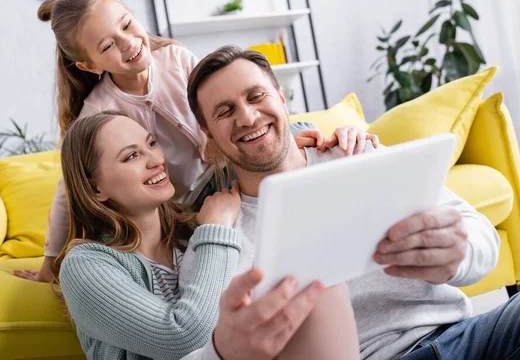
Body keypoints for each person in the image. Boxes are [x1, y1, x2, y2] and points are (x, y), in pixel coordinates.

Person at [13, 0, 379, 282]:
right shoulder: (99, 110)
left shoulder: (175, 59)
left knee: (301, 131)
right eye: (108, 45)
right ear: (89, 65)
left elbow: (229, 105)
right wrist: (50, 263)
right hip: (183, 203)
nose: (128, 43)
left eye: (126, 25)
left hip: (225, 167)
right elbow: (70, 189)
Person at [185, 45, 520, 360]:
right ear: (210, 136)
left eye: (256, 96)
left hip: (464, 336)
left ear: (283, 100)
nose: (247, 117)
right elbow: (196, 345)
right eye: (225, 111)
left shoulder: (357, 154)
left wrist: (459, 254)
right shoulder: (217, 238)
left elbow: (482, 238)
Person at [56, 110, 359, 359]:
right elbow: (186, 338)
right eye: (131, 156)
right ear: (95, 188)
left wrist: (333, 138)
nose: (155, 160)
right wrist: (216, 230)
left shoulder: (190, 229)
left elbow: (256, 139)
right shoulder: (85, 265)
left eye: (151, 143)